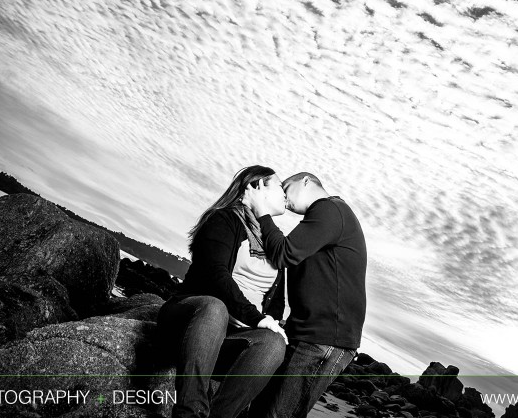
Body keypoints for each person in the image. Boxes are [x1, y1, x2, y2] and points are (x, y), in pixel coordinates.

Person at [157, 166, 291, 418]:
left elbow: (276, 304)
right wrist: (256, 318)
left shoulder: (273, 240)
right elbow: (216, 276)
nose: (285, 194)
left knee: (274, 344)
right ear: (257, 186)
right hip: (191, 323)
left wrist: (269, 321)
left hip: (231, 337)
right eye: (279, 186)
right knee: (214, 308)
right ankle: (189, 412)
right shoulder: (224, 219)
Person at [244, 172, 367, 418]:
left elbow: (283, 254)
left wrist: (262, 212)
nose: (284, 196)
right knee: (259, 410)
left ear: (306, 182)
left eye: (286, 187)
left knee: (277, 414)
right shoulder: (321, 218)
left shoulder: (330, 210)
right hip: (305, 334)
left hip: (325, 339)